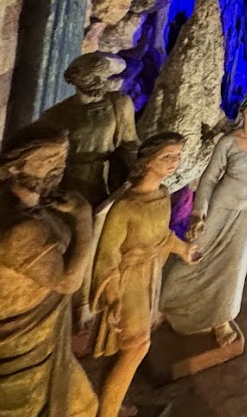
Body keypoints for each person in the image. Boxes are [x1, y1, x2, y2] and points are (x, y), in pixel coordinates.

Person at [0, 124, 98, 417]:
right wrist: (83, 218)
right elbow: (67, 282)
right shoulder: (20, 229)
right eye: (47, 160)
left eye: (61, 159)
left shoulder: (0, 210)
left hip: (33, 342)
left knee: (84, 405)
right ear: (15, 167)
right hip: (17, 353)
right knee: (80, 408)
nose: (58, 167)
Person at [158, 90, 247, 348]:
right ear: (243, 114)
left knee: (234, 264)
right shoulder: (228, 142)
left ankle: (221, 319)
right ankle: (167, 302)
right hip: (223, 204)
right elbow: (209, 179)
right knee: (198, 251)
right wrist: (199, 213)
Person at [88, 133, 198, 417]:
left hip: (150, 277)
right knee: (136, 346)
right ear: (147, 161)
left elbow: (162, 237)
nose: (174, 162)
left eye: (176, 156)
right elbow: (107, 256)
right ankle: (107, 413)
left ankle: (110, 403)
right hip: (128, 283)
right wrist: (111, 297)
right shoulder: (125, 207)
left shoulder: (162, 196)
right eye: (166, 157)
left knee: (127, 348)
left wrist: (183, 249)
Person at [38, 53, 138, 206]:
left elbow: (130, 142)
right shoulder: (56, 115)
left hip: (108, 178)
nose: (99, 82)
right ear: (76, 78)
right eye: (92, 77)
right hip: (72, 183)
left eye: (102, 76)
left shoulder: (119, 104)